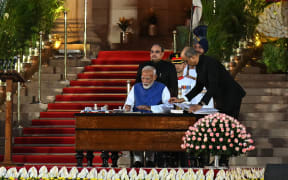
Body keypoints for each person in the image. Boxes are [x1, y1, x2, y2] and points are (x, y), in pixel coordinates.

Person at [170, 47, 246, 119]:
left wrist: (200, 104)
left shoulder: (210, 63)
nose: (187, 64)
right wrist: (183, 99)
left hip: (230, 95)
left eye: (186, 61)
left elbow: (213, 85)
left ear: (192, 57)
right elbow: (199, 86)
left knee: (228, 122)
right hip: (221, 96)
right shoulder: (199, 65)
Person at [124, 65, 172, 167]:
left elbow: (169, 106)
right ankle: (138, 159)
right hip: (137, 119)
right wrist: (127, 107)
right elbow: (129, 103)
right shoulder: (136, 87)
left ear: (154, 77)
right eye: (142, 78)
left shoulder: (162, 88)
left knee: (152, 134)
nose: (144, 80)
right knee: (134, 134)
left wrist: (151, 108)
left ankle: (150, 158)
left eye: (148, 78)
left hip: (155, 120)